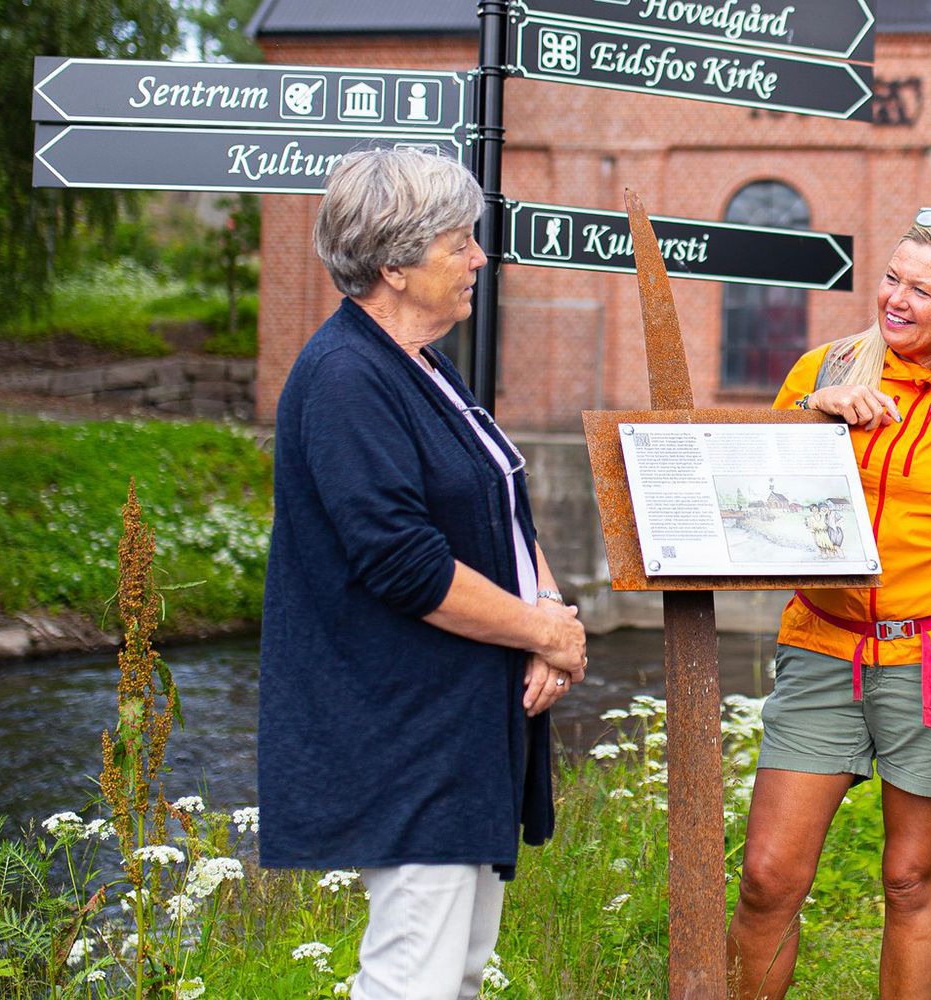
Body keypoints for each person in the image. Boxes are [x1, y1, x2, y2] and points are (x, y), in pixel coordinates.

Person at [258, 148, 588, 1000]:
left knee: (460, 972)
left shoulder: (425, 367)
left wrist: (550, 607)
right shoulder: (345, 378)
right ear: (395, 265)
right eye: (459, 243)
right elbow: (403, 563)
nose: (480, 258)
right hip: (401, 733)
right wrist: (543, 632)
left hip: (456, 729)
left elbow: (498, 503)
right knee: (416, 977)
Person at [727, 209, 931, 1000]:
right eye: (891, 279)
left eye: (921, 289)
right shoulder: (825, 368)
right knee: (768, 877)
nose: (897, 300)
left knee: (911, 879)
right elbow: (746, 486)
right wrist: (818, 415)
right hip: (824, 650)